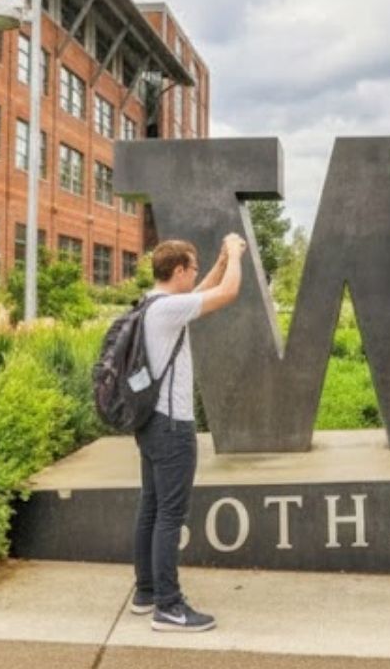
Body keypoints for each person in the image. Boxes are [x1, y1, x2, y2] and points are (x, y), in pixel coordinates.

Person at [128, 234, 246, 634]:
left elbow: (205, 289)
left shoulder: (152, 304)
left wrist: (215, 261)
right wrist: (235, 253)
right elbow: (228, 291)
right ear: (177, 270)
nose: (195, 274)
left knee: (151, 508)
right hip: (173, 428)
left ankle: (145, 592)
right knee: (170, 517)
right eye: (192, 267)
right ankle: (169, 606)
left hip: (149, 424)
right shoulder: (168, 310)